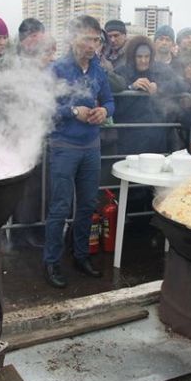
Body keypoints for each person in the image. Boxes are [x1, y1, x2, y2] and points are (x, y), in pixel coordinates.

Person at [44, 15, 114, 288]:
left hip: (91, 146)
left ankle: (81, 255)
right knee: (60, 207)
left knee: (87, 204)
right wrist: (74, 111)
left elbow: (109, 99)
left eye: (96, 40)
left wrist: (105, 111)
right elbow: (46, 106)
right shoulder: (57, 69)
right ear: (73, 38)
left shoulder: (98, 70)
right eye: (87, 39)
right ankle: (51, 262)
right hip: (64, 145)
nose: (92, 46)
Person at [113, 35, 184, 155]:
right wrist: (131, 87)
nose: (143, 60)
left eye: (147, 56)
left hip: (157, 131)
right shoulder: (121, 72)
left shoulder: (161, 69)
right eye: (139, 57)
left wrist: (159, 87)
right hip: (130, 133)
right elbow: (115, 101)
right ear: (132, 57)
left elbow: (181, 85)